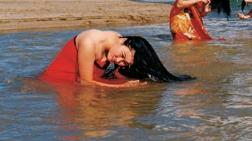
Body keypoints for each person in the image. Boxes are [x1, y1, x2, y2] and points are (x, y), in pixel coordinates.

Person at [38, 29, 192, 87]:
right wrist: (121, 87)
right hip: (55, 82)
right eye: (122, 56)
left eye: (124, 63)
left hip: (78, 83)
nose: (118, 62)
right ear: (123, 41)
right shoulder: (90, 41)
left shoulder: (118, 43)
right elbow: (85, 83)